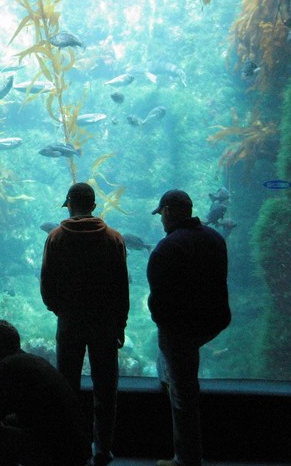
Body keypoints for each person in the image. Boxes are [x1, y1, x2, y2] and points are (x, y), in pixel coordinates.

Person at [40, 182, 128, 466]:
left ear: (70, 205)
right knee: (106, 388)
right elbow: (121, 288)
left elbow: (47, 286)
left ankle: (72, 448)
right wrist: (120, 323)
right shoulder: (114, 239)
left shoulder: (55, 238)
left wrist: (61, 311)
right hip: (105, 324)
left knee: (67, 387)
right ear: (92, 205)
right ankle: (102, 449)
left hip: (70, 323)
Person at [147, 190, 231, 466]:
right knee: (179, 366)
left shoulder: (167, 248)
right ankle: (172, 375)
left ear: (168, 211)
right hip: (212, 322)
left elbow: (158, 301)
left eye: (161, 214)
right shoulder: (215, 237)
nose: (161, 220)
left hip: (182, 328)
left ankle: (187, 460)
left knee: (183, 394)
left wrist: (164, 324)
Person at [0, 320, 90, 466]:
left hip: (59, 454)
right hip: (77, 449)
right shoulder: (33, 361)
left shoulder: (8, 367)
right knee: (7, 422)